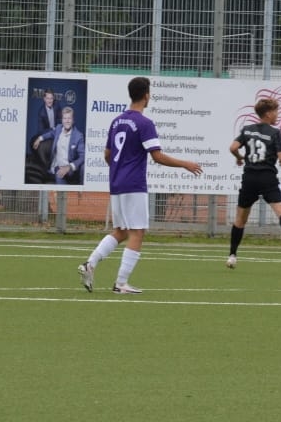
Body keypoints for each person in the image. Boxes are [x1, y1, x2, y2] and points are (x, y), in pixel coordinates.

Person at [77, 76, 203, 294]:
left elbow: (107, 154)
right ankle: (121, 283)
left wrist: (119, 169)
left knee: (121, 231)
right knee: (137, 232)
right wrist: (185, 164)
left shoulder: (117, 121)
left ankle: (90, 264)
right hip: (133, 184)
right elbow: (157, 156)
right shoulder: (145, 123)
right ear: (146, 95)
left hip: (116, 183)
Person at [226, 97, 281, 267]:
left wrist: (239, 157)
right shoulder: (274, 133)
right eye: (276, 111)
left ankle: (232, 255)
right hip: (267, 177)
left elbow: (233, 148)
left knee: (240, 219)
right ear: (268, 114)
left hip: (249, 178)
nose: (277, 115)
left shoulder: (247, 130)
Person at [29, 106, 85, 185]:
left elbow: (83, 156)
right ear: (62, 120)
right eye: (65, 118)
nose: (67, 121)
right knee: (59, 173)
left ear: (73, 120)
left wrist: (69, 167)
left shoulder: (78, 136)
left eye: (69, 118)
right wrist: (40, 138)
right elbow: (51, 134)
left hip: (70, 169)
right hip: (57, 167)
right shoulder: (59, 128)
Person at [25, 89, 58, 184]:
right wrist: (52, 131)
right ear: (44, 99)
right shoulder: (41, 112)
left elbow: (61, 122)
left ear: (53, 99)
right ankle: (48, 169)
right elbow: (41, 131)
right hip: (48, 134)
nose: (49, 100)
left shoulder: (57, 107)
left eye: (51, 98)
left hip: (58, 132)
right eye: (48, 98)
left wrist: (57, 130)